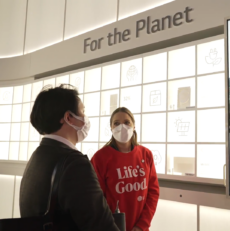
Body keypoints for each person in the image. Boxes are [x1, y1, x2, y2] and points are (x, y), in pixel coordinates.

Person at [20, 85, 120, 231]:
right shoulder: (75, 165)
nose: (85, 118)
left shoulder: (37, 156)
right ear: (69, 118)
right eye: (83, 111)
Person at [91, 107, 160, 231]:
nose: (122, 127)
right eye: (116, 123)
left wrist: (142, 225)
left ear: (134, 127)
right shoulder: (100, 158)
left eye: (127, 122)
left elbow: (153, 193)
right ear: (111, 128)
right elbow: (96, 200)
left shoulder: (146, 154)